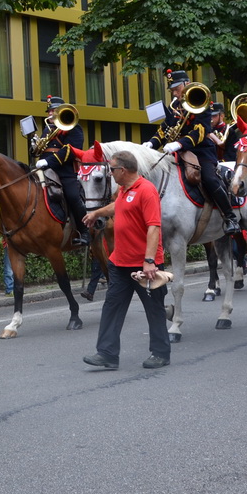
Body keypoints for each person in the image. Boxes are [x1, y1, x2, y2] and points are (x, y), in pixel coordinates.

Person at [81, 150, 171, 370]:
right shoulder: (123, 190)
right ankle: (107, 354)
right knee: (112, 307)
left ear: (122, 170)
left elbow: (154, 227)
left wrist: (149, 261)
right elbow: (119, 206)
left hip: (143, 266)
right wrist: (97, 213)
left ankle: (160, 353)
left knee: (154, 309)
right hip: (120, 263)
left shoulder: (146, 191)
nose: (110, 173)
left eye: (112, 169)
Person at [146, 71, 240, 237]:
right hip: (177, 152)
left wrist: (179, 143)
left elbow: (201, 132)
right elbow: (164, 128)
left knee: (210, 179)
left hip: (200, 151)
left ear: (186, 83)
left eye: (176, 89)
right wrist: (151, 143)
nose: (175, 93)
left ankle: (229, 217)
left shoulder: (200, 100)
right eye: (172, 90)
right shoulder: (175, 106)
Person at [32, 96, 89, 246]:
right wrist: (35, 147)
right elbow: (41, 150)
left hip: (64, 170)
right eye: (49, 111)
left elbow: (70, 151)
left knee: (73, 196)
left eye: (54, 110)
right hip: (44, 169)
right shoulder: (47, 129)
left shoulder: (73, 127)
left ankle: (84, 231)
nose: (50, 113)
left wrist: (48, 162)